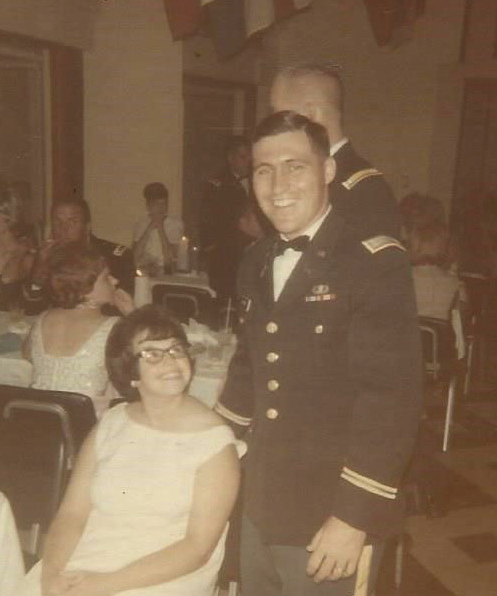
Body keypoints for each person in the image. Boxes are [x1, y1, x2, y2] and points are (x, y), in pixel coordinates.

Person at [214, 111, 422, 595]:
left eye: (295, 167)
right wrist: (205, 444)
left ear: (328, 170)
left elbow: (391, 400)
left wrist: (353, 517)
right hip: (262, 500)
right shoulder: (255, 259)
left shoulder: (372, 263)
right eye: (264, 170)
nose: (278, 186)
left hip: (331, 512)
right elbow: (249, 367)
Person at [18, 304, 240, 596]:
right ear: (130, 371)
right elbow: (72, 513)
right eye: (152, 354)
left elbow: (197, 549)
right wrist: (51, 575)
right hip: (93, 557)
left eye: (176, 349)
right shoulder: (113, 423)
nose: (171, 361)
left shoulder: (214, 442)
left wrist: (102, 585)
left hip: (164, 577)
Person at [270, 63, 401, 240]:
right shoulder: (299, 176)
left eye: (278, 115)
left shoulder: (364, 194)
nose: (271, 127)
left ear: (310, 115)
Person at [24, 243, 133, 418]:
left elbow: (27, 354)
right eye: (106, 278)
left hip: (38, 417)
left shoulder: (43, 318)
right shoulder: (113, 326)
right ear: (84, 288)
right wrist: (133, 314)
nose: (115, 281)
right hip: (81, 423)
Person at [22, 198, 135, 314]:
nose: (64, 229)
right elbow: (32, 311)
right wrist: (37, 277)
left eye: (73, 222)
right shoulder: (47, 257)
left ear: (87, 227)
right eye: (57, 222)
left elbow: (121, 307)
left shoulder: (114, 257)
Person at [200, 136, 260, 306]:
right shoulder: (218, 185)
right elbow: (208, 221)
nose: (248, 161)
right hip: (228, 254)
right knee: (226, 301)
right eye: (242, 157)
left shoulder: (258, 180)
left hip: (254, 251)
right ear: (230, 158)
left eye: (250, 157)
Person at [0, 179, 32, 310]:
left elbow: (7, 278)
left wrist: (19, 253)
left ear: (11, 215)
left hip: (8, 321)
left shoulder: (25, 254)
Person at [409, 222, 466, 322]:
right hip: (441, 331)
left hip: (408, 331)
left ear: (415, 245)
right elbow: (461, 320)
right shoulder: (456, 284)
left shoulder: (401, 278)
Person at [132, 182, 184, 274]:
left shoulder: (175, 224)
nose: (161, 208)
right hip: (143, 272)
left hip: (166, 272)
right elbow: (135, 257)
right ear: (148, 206)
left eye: (164, 204)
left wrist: (160, 228)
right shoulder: (141, 224)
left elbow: (170, 260)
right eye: (156, 204)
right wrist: (149, 228)